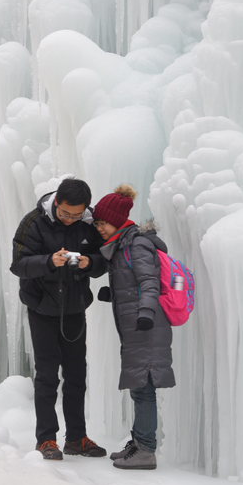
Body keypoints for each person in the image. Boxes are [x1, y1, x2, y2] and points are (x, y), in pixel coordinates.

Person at [9, 177, 108, 460]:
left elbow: (104, 259)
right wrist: (49, 261)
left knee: (76, 376)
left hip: (75, 309)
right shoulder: (34, 222)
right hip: (42, 309)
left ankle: (76, 437)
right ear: (56, 203)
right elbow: (18, 264)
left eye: (76, 215)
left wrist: (91, 263)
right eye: (65, 213)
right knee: (47, 377)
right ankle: (46, 439)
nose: (69, 219)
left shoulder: (89, 224)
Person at [92, 184, 175, 470]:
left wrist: (146, 313)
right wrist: (112, 294)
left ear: (116, 219)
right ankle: (139, 443)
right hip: (137, 325)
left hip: (146, 326)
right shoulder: (123, 244)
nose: (99, 227)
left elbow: (148, 282)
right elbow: (133, 285)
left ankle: (146, 450)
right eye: (97, 222)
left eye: (102, 222)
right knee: (139, 385)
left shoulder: (136, 243)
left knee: (144, 387)